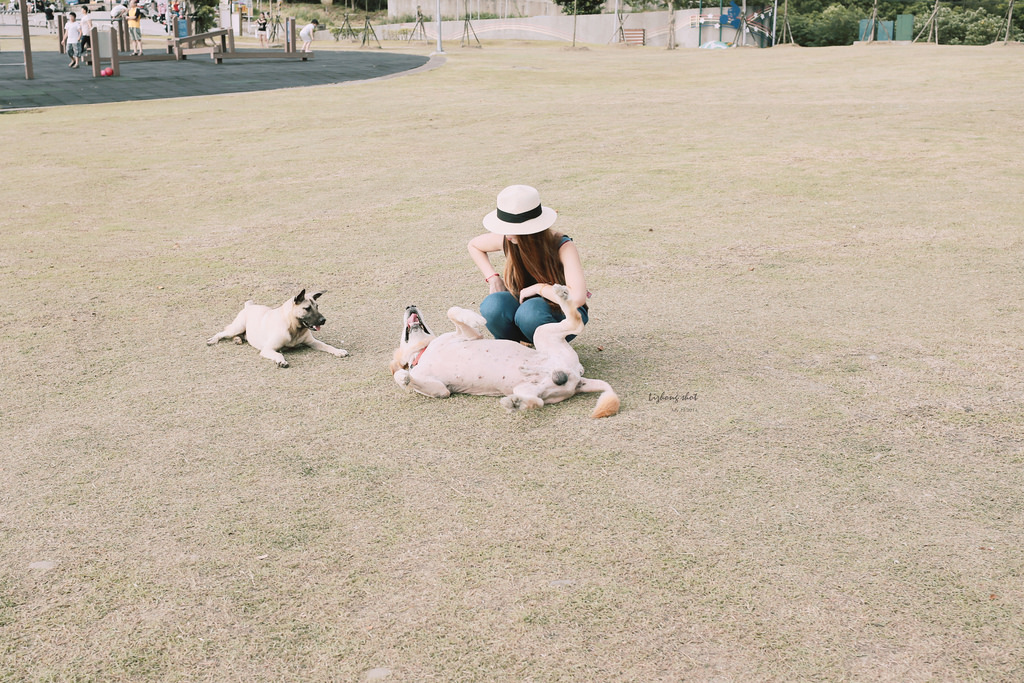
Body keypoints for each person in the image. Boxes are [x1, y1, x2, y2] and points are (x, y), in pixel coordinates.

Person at [467, 185, 590, 345]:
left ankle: (552, 353)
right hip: (523, 306)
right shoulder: (509, 239)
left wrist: (539, 288)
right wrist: (493, 278)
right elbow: (474, 245)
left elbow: (577, 298)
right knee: (493, 305)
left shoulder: (562, 246)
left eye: (512, 228)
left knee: (530, 311)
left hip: (562, 312)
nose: (507, 234)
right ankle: (512, 351)